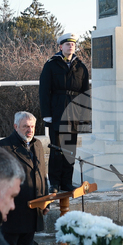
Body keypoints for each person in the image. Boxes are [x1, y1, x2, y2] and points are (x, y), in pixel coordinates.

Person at [0, 112, 49, 245]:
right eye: (26, 126)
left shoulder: (38, 145)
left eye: (32, 126)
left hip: (33, 212)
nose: (30, 130)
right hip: (13, 214)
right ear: (16, 127)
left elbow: (42, 175)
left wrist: (46, 201)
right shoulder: (3, 147)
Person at [39, 32, 91, 192]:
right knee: (56, 149)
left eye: (73, 44)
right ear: (61, 46)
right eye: (67, 44)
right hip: (57, 111)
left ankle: (66, 182)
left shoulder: (80, 67)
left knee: (70, 150)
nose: (71, 46)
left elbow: (85, 94)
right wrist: (46, 114)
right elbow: (44, 91)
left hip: (74, 113)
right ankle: (54, 183)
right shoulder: (51, 65)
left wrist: (85, 117)